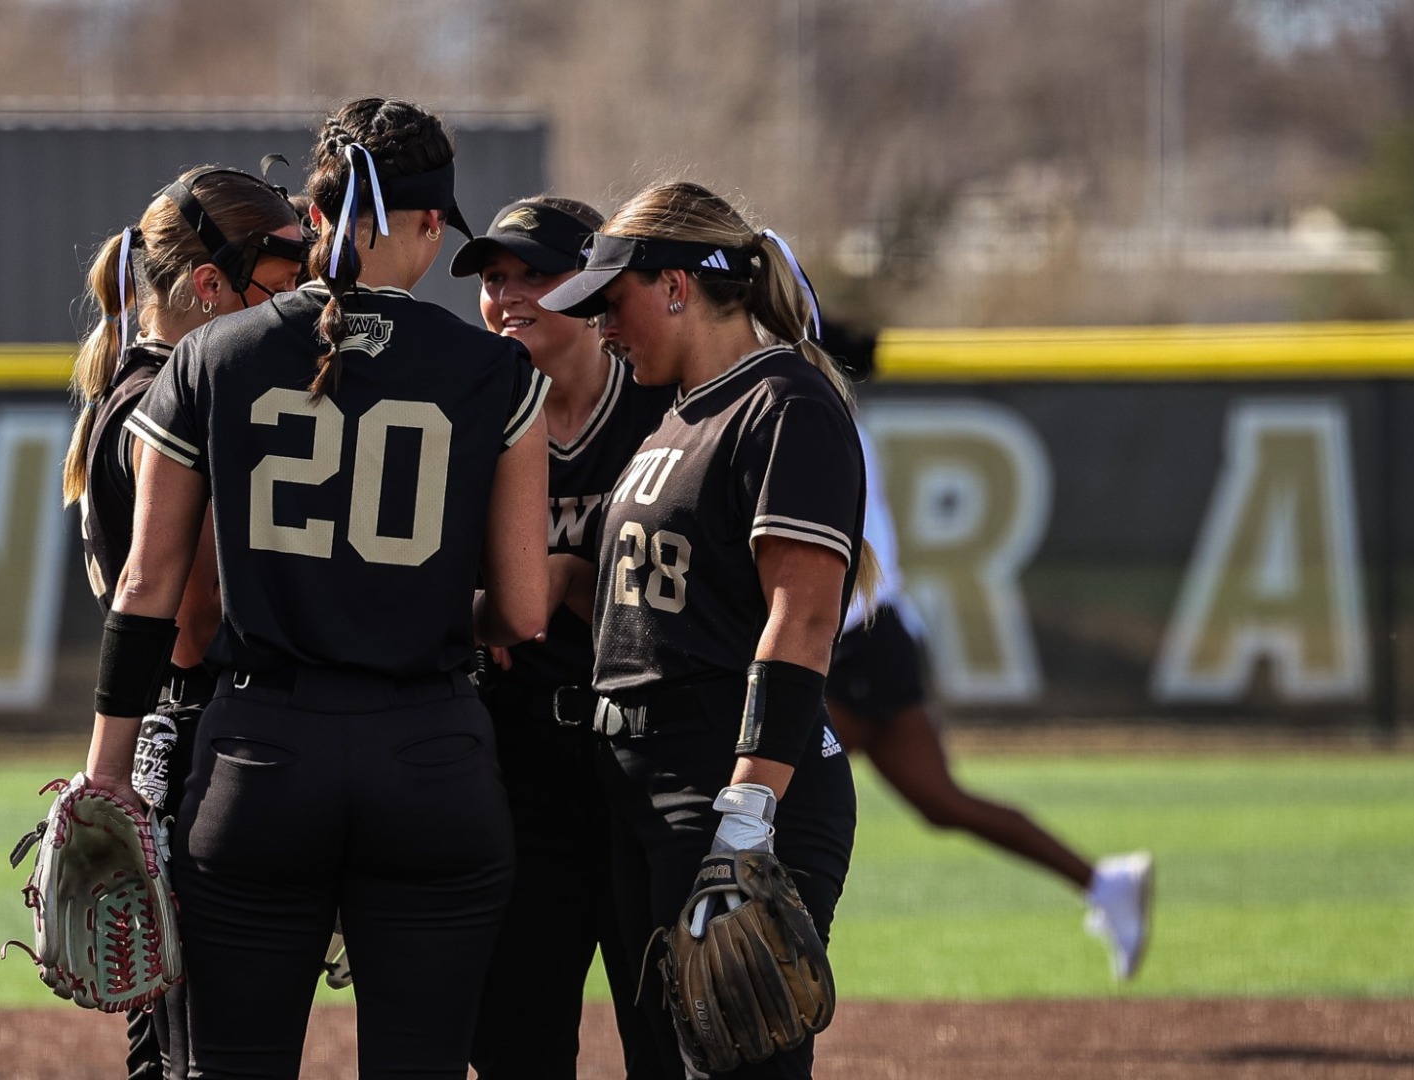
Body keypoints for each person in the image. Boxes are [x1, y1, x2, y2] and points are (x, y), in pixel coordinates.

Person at [85, 96, 551, 1079]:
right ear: (427, 224)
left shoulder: (212, 356)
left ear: (319, 212)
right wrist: (410, 601)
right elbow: (521, 611)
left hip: (262, 758)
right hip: (430, 756)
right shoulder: (495, 371)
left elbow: (148, 584)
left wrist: (106, 777)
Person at [539, 181, 874, 1080]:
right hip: (643, 786)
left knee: (735, 1062)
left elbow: (801, 619)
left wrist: (748, 812)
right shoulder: (677, 419)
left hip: (729, 779)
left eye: (614, 302)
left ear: (678, 284)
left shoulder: (786, 406)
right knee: (663, 1062)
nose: (602, 326)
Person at [62, 163, 307, 1080]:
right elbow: (194, 621)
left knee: (168, 1053)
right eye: (281, 289)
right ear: (208, 286)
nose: (297, 312)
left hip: (172, 733)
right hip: (202, 739)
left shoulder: (133, 380)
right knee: (201, 1053)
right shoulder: (172, 401)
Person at [816, 324, 1155, 983]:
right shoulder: (825, 411)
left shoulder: (813, 414)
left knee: (779, 788)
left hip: (854, 639)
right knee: (941, 802)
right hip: (873, 634)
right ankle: (1106, 882)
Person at [449, 196, 674, 1079]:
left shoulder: (667, 415)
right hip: (517, 762)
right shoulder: (466, 419)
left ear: (592, 285)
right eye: (493, 280)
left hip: (644, 762)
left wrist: (570, 581)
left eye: (532, 275)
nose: (506, 296)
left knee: (668, 1040)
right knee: (514, 1044)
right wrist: (487, 605)